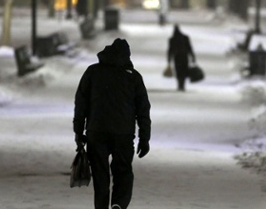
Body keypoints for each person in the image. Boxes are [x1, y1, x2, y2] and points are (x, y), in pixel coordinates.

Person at [73, 38, 151, 209]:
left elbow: (81, 103)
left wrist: (78, 131)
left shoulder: (92, 72)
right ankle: (118, 204)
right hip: (123, 134)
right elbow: (143, 109)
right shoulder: (134, 77)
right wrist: (144, 138)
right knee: (123, 172)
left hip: (97, 132)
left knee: (100, 176)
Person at [167, 24, 196, 91]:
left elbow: (170, 50)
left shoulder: (172, 39)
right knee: (184, 70)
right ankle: (182, 85)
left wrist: (169, 59)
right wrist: (193, 56)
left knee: (178, 71)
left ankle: (180, 85)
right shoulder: (185, 38)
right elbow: (189, 48)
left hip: (177, 58)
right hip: (185, 57)